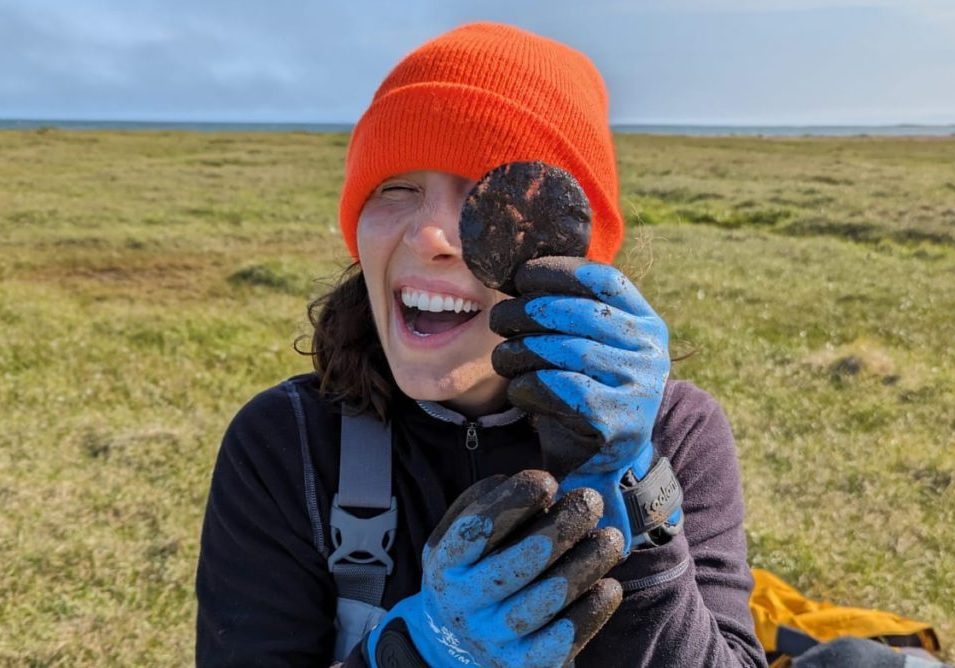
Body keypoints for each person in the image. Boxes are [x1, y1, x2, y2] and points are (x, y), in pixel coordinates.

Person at [196, 21, 767, 667]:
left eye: (483, 197)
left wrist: (632, 504)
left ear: (571, 254)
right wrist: (422, 654)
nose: (429, 234)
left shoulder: (675, 431)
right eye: (395, 188)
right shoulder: (288, 442)